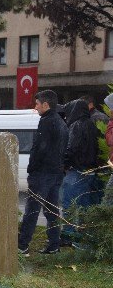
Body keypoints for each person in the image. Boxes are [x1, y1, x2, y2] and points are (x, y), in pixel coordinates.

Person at [18, 90, 68, 256]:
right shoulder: (61, 122)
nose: (35, 107)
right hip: (56, 173)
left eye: (37, 103)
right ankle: (54, 244)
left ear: (46, 105)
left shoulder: (47, 122)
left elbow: (40, 149)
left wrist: (32, 169)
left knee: (32, 210)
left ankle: (22, 245)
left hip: (43, 174)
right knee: (52, 211)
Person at [60, 99, 100, 247]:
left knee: (69, 204)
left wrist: (64, 164)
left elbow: (71, 149)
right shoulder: (91, 124)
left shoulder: (76, 126)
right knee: (85, 205)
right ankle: (85, 239)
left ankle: (68, 237)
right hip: (89, 171)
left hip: (76, 170)